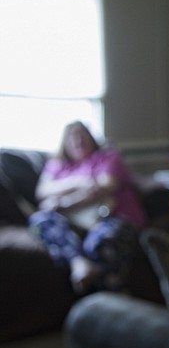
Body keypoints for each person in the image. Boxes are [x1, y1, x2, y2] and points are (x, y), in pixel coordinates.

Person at [29, 121, 147, 294]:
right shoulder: (57, 165)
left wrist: (63, 203)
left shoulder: (108, 157)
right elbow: (42, 191)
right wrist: (79, 182)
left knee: (100, 243)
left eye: (82, 135)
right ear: (64, 143)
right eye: (72, 137)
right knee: (38, 220)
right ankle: (78, 263)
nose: (78, 141)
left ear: (91, 138)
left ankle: (111, 300)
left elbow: (106, 186)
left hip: (111, 217)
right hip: (72, 224)